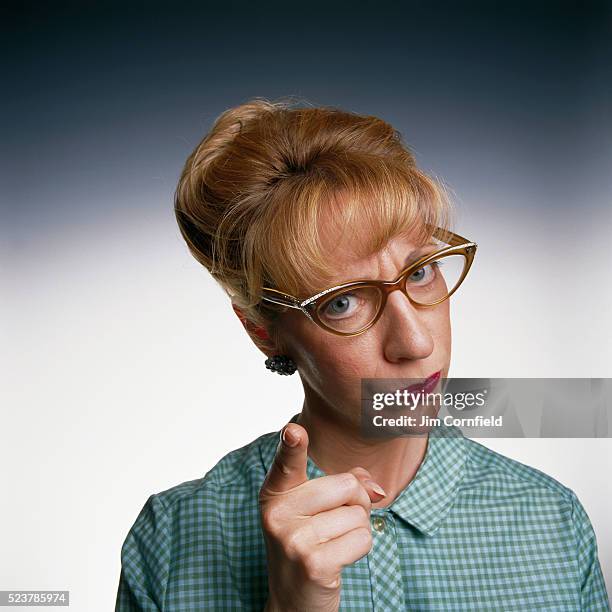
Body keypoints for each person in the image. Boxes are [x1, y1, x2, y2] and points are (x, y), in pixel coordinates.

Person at [115, 98, 610, 611]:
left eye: (420, 272)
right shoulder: (171, 540)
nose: (416, 343)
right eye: (343, 302)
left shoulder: (552, 520)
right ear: (264, 332)